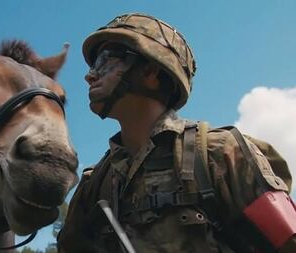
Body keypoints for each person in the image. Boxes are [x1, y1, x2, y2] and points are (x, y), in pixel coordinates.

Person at [57, 13, 296, 253]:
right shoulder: (96, 184)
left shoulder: (221, 154)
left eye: (106, 61)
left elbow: (289, 242)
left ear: (151, 71)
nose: (90, 75)